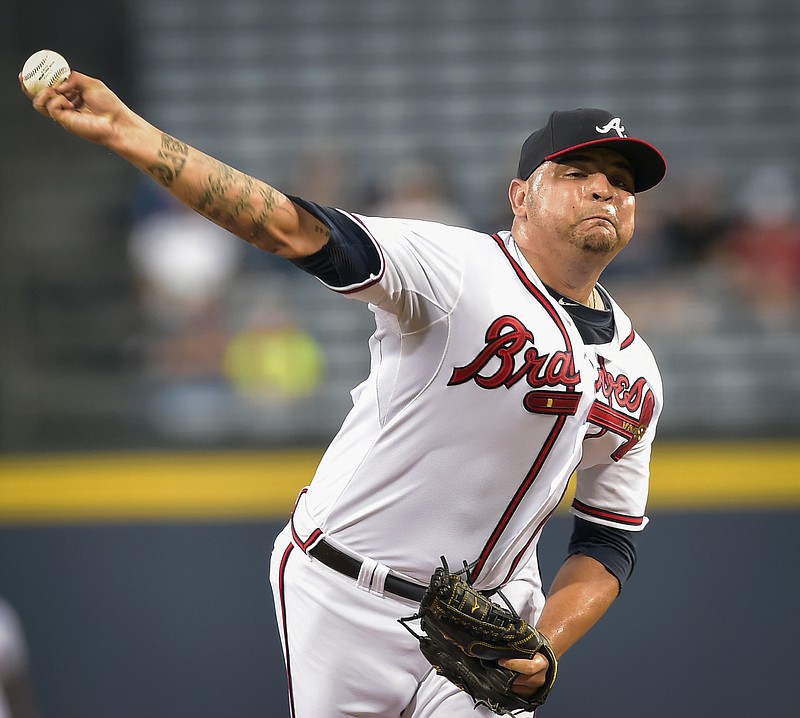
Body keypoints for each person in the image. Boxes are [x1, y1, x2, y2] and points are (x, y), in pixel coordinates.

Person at [22, 71, 666, 717]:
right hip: (346, 590)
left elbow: (608, 540)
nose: (605, 187)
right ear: (521, 196)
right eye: (577, 170)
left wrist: (547, 647)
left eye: (622, 179)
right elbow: (289, 229)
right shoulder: (456, 267)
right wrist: (133, 135)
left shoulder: (638, 371)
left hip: (494, 618)